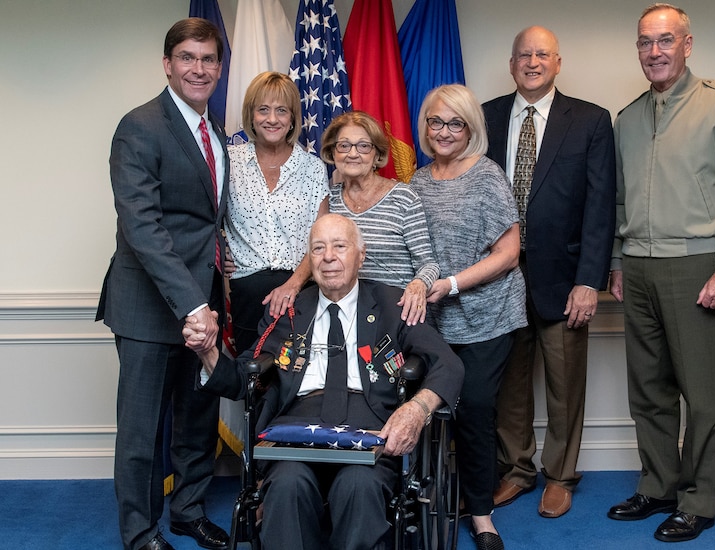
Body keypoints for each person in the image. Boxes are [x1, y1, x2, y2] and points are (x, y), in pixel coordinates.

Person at [183, 213, 464, 550]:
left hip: (369, 428)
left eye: (340, 246)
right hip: (295, 428)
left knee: (358, 486)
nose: (328, 256)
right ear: (310, 259)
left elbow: (448, 364)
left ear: (362, 255)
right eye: (318, 248)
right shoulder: (289, 310)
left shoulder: (392, 304)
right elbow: (244, 377)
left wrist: (417, 410)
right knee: (287, 486)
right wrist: (207, 352)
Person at [607, 3, 715, 543]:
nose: (654, 51)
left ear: (687, 44)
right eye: (645, 42)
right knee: (648, 390)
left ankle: (699, 499)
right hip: (637, 267)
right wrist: (614, 262)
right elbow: (618, 202)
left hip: (696, 265)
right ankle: (659, 485)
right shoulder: (627, 118)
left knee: (702, 395)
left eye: (665, 40)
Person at [96, 18, 231, 550]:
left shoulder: (213, 130)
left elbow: (207, 223)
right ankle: (139, 532)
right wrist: (193, 305)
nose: (199, 68)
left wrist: (211, 303)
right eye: (188, 58)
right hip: (151, 307)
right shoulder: (140, 126)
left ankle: (188, 510)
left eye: (208, 59)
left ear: (219, 68)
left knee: (196, 420)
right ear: (168, 64)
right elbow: (143, 228)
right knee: (142, 431)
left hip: (205, 306)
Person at [483, 26, 616, 518]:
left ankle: (560, 476)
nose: (532, 62)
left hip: (564, 281)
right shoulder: (486, 116)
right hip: (499, 281)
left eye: (542, 54)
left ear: (558, 62)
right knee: (509, 386)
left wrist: (589, 280)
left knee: (565, 386)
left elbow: (600, 207)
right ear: (511, 62)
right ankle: (516, 469)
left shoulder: (590, 121)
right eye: (524, 54)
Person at [411, 84, 527, 550]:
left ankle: (481, 514)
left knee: (475, 409)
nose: (443, 131)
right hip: (434, 322)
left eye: (454, 123)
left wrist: (454, 284)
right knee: (427, 408)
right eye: (435, 122)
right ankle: (427, 497)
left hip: (488, 315)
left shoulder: (487, 175)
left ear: (470, 128)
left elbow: (510, 252)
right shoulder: (417, 182)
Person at [224, 71, 329, 353]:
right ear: (251, 115)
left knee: (299, 386)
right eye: (263, 110)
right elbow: (205, 217)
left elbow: (321, 241)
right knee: (251, 382)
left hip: (300, 289)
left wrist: (293, 286)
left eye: (281, 110)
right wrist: (217, 246)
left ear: (293, 117)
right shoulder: (228, 163)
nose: (272, 119)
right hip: (245, 294)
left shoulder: (313, 168)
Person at [320, 111, 438, 326]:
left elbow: (429, 264)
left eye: (363, 146)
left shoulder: (404, 196)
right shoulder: (328, 200)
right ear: (333, 152)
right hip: (345, 318)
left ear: (376, 154)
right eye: (344, 145)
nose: (353, 154)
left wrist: (419, 284)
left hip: (398, 314)